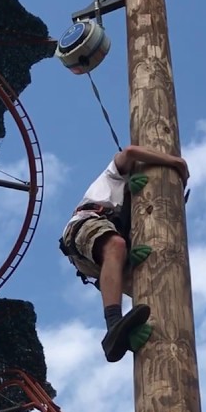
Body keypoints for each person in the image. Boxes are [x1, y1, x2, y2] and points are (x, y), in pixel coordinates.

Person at [59, 145, 190, 362]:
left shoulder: (135, 210)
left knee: (153, 289)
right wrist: (176, 162)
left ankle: (129, 338)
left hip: (99, 258)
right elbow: (130, 152)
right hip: (87, 225)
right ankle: (113, 323)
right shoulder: (115, 175)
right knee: (116, 245)